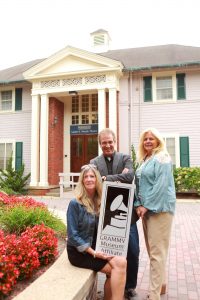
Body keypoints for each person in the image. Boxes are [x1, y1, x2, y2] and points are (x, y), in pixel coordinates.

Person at [90, 128, 139, 300]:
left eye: (110, 141)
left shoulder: (126, 158)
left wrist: (106, 179)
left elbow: (130, 176)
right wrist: (118, 177)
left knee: (133, 250)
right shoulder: (94, 162)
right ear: (100, 144)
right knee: (108, 250)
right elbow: (93, 180)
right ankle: (112, 283)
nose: (107, 145)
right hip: (105, 216)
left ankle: (130, 287)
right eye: (104, 142)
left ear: (115, 141)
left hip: (127, 215)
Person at [66, 164, 127, 300]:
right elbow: (72, 235)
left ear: (97, 179)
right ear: (82, 181)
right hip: (80, 252)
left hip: (96, 246)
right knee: (116, 269)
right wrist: (94, 253)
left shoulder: (102, 201)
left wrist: (118, 189)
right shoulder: (75, 203)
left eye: (92, 176)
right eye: (86, 177)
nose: (89, 179)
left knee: (121, 262)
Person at [134, 128, 176, 300]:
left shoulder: (162, 158)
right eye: (145, 139)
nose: (148, 141)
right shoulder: (145, 159)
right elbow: (138, 184)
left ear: (158, 141)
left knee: (157, 253)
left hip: (160, 210)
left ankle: (154, 295)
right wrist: (138, 204)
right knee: (154, 252)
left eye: (152, 138)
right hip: (147, 210)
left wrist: (146, 206)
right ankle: (162, 285)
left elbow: (161, 185)